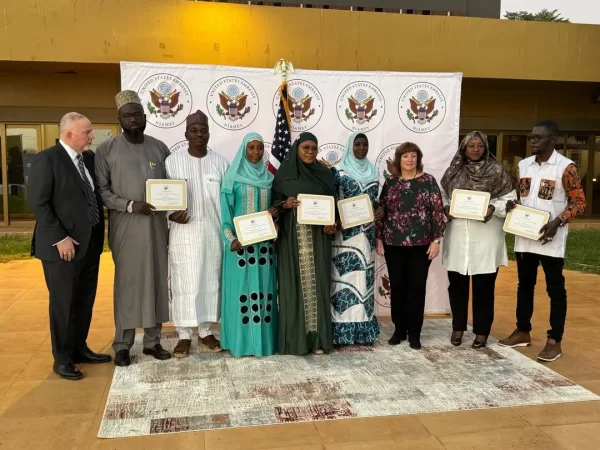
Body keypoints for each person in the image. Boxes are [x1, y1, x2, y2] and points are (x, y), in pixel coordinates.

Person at [27, 112, 110, 380]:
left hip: (90, 245)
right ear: (69, 134)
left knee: (84, 300)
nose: (92, 136)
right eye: (87, 132)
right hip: (61, 248)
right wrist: (60, 237)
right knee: (63, 303)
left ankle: (78, 348)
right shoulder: (47, 160)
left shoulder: (88, 159)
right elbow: (38, 203)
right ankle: (62, 358)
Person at [499, 120, 586, 362]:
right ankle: (522, 331)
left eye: (538, 137)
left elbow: (579, 203)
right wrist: (514, 204)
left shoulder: (565, 167)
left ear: (552, 140)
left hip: (550, 240)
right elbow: (521, 197)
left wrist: (558, 222)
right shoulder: (524, 165)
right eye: (531, 137)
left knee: (555, 290)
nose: (533, 140)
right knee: (524, 287)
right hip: (525, 237)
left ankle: (554, 340)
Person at [95, 90, 171, 366]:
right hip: (126, 227)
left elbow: (171, 185)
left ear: (145, 117)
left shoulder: (159, 148)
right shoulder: (106, 150)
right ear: (119, 120)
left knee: (156, 280)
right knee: (127, 284)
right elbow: (101, 191)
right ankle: (123, 344)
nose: (133, 120)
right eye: (127, 116)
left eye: (137, 115)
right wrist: (129, 205)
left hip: (156, 227)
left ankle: (152, 341)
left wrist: (175, 206)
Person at [440, 131, 517, 348]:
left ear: (486, 148)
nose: (475, 150)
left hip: (486, 235)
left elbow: (510, 200)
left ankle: (482, 331)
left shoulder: (497, 171)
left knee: (484, 287)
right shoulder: (454, 171)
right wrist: (446, 208)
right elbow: (443, 195)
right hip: (458, 234)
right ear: (464, 148)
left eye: (480, 146)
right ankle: (458, 326)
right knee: (457, 285)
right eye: (471, 146)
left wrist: (493, 208)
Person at [166, 110, 230, 357]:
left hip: (213, 232)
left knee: (210, 280)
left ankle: (205, 331)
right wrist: (170, 214)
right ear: (186, 134)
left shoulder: (220, 163)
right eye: (194, 131)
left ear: (209, 134)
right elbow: (162, 196)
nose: (199, 135)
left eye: (203, 131)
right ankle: (184, 335)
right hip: (183, 233)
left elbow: (227, 200)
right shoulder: (172, 162)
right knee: (184, 282)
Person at [375, 142, 446, 350]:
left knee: (416, 287)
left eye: (413, 156)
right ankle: (399, 330)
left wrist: (436, 240)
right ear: (399, 159)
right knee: (397, 287)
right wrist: (379, 238)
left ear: (418, 159)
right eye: (405, 156)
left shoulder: (428, 181)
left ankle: (415, 333)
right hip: (393, 243)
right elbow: (381, 212)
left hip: (421, 244)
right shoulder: (391, 182)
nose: (409, 160)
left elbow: (437, 212)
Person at [272, 132, 337, 355]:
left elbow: (333, 204)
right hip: (292, 238)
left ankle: (318, 339)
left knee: (318, 285)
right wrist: (284, 204)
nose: (310, 152)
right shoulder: (284, 175)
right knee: (293, 286)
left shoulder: (324, 174)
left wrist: (332, 223)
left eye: (314, 148)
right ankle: (295, 341)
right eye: (306, 148)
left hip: (319, 239)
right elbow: (273, 204)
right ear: (297, 149)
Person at [220, 132, 278, 357]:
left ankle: (263, 344)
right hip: (240, 248)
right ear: (244, 150)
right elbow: (225, 214)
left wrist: (274, 216)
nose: (256, 152)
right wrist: (230, 239)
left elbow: (273, 211)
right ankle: (240, 344)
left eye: (260, 148)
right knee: (241, 294)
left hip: (263, 248)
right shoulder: (232, 178)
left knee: (264, 294)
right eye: (251, 148)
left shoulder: (268, 178)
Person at [330, 132, 380, 345]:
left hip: (367, 234)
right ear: (350, 146)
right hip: (345, 235)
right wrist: (336, 219)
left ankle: (363, 329)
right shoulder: (338, 171)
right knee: (345, 280)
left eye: (364, 144)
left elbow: (376, 200)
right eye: (357, 144)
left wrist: (381, 209)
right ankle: (341, 331)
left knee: (363, 280)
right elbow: (331, 199)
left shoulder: (374, 171)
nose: (361, 148)